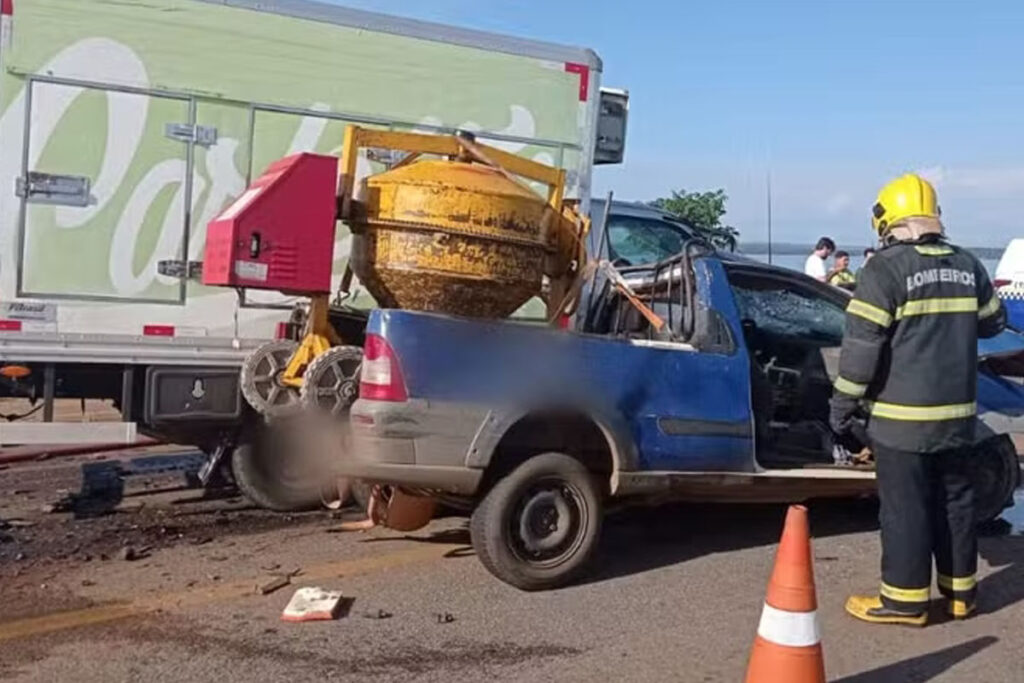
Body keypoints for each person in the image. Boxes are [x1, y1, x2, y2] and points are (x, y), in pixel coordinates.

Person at [830, 173, 1005, 626]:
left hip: (900, 421)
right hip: (958, 420)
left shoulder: (885, 269)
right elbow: (992, 324)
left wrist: (841, 407)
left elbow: (861, 351)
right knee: (956, 502)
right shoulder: (968, 264)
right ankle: (961, 595)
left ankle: (905, 602)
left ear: (887, 222)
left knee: (905, 509)